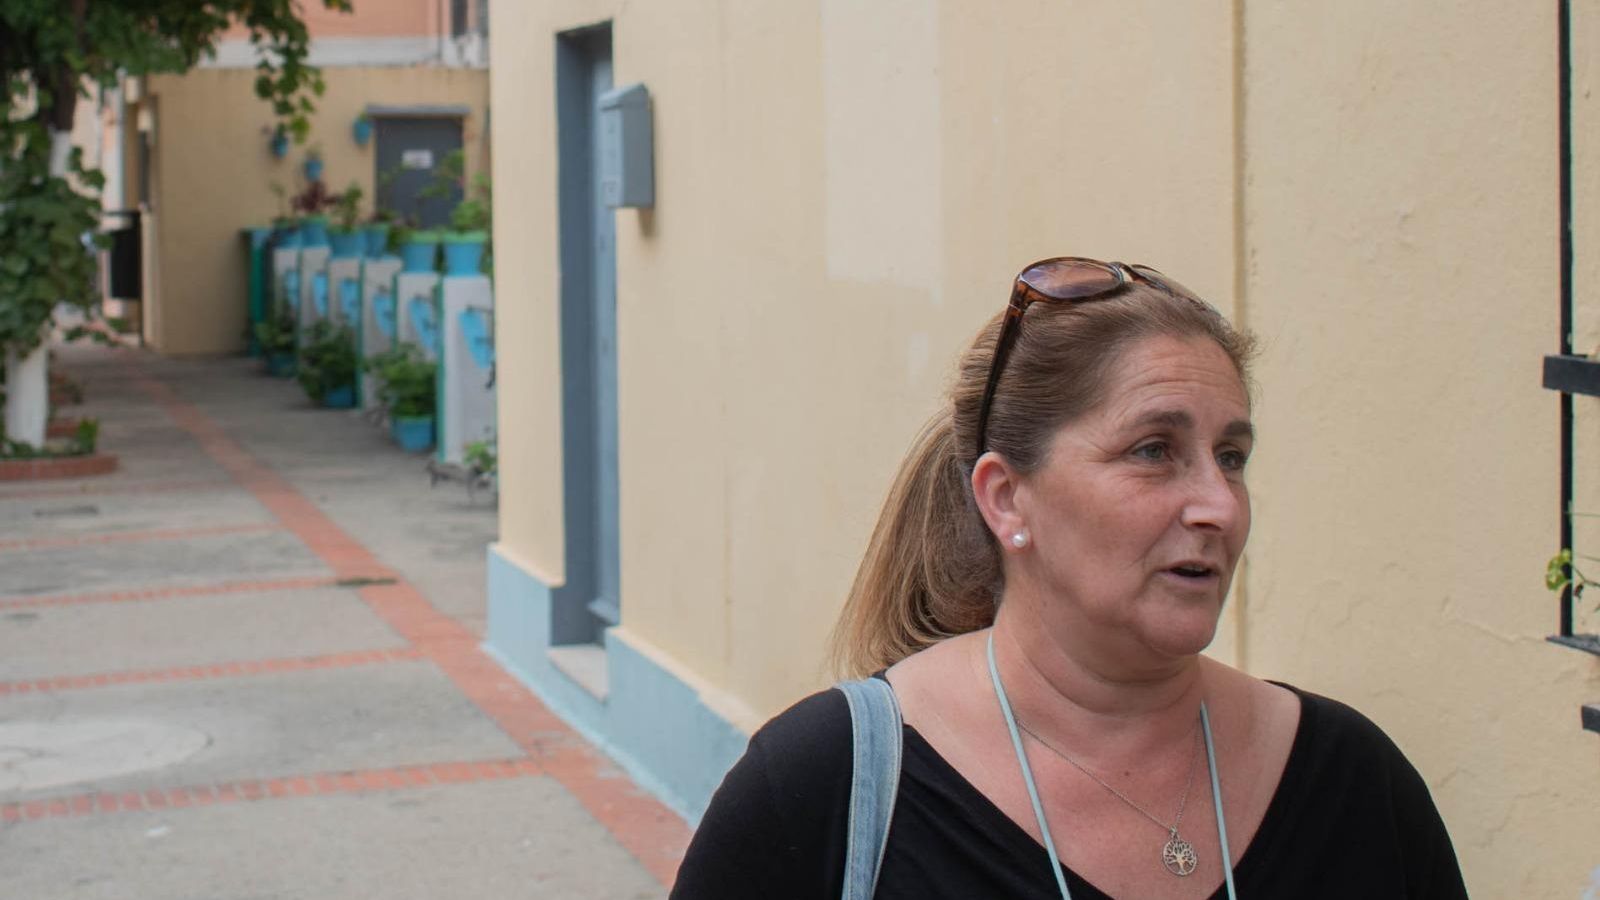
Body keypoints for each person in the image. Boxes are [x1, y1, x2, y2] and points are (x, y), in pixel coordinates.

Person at [670, 257, 1468, 899]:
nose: (1220, 506)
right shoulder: (825, 786)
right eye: (1154, 450)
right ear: (1006, 498)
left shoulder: (1354, 784)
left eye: (1231, 457)